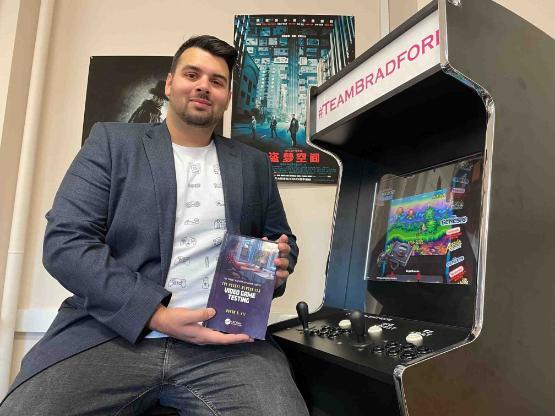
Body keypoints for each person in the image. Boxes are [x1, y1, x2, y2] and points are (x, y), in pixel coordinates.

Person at [0, 35, 308, 416]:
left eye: (217, 81)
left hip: (225, 344)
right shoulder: (112, 143)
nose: (203, 86)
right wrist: (155, 314)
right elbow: (66, 242)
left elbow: (282, 239)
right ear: (169, 83)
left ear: (227, 95)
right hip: (111, 334)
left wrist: (280, 263)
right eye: (192, 74)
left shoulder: (253, 163)